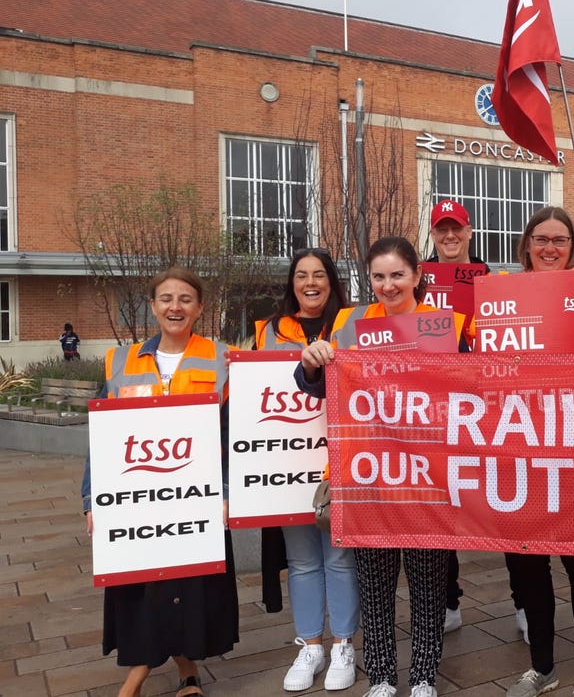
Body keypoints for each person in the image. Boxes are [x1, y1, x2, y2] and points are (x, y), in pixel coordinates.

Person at [296, 237, 466, 697]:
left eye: (397, 275)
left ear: (416, 276)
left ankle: (425, 676)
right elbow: (317, 386)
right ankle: (384, 677)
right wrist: (313, 363)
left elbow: (476, 385)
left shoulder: (446, 326)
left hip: (428, 473)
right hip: (367, 472)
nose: (388, 285)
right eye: (378, 276)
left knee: (429, 582)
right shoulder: (349, 323)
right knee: (374, 582)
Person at [81, 267, 238, 697]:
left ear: (200, 307)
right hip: (138, 499)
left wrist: (225, 494)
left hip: (197, 499)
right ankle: (158, 671)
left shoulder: (223, 358)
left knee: (189, 588)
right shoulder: (120, 360)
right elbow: (102, 437)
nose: (175, 307)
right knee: (142, 586)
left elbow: (231, 435)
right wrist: (92, 499)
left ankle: (181, 669)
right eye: (166, 299)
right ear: (152, 306)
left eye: (186, 299)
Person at [505, 206, 574, 697]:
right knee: (528, 565)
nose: (550, 248)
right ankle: (543, 665)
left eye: (561, 240)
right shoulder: (499, 297)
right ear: (526, 244)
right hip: (517, 451)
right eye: (541, 239)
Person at [256, 248, 360, 692]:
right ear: (291, 283)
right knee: (300, 561)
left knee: (339, 557)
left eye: (319, 274)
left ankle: (343, 644)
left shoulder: (355, 323)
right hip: (287, 464)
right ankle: (310, 645)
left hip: (342, 457)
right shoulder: (266, 330)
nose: (310, 282)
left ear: (332, 280)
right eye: (301, 275)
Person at [425, 198, 491, 635]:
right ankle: (448, 600)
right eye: (441, 229)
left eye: (457, 228)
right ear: (433, 235)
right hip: (434, 408)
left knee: (502, 501)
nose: (450, 236)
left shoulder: (492, 280)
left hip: (486, 405)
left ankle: (524, 603)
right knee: (440, 505)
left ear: (469, 232)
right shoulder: (417, 280)